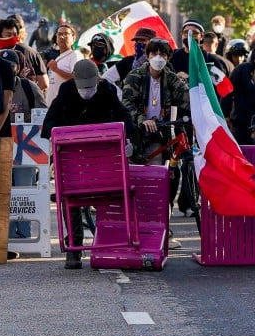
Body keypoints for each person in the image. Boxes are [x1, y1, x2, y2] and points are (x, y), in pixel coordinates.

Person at [42, 59, 135, 269]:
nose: (87, 92)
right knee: (70, 195)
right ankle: (74, 243)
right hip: (74, 158)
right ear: (74, 80)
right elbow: (49, 121)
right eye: (83, 87)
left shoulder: (107, 90)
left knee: (111, 193)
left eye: (91, 87)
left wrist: (129, 139)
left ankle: (109, 239)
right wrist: (58, 137)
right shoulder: (66, 90)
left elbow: (125, 117)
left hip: (103, 158)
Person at [120, 37, 190, 166]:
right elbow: (127, 104)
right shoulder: (135, 76)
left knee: (161, 173)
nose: (158, 57)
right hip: (137, 134)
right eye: (154, 54)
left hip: (161, 133)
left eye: (162, 54)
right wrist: (142, 119)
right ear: (148, 56)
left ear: (168, 58)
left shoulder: (170, 78)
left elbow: (186, 97)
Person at [0, 17, 49, 94]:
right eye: (8, 35)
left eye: (14, 35)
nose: (12, 38)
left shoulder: (30, 53)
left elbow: (44, 83)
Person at [0, 49, 48, 122]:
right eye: (3, 66)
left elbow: (44, 115)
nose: (7, 70)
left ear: (18, 67)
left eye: (11, 66)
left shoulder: (29, 87)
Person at [44, 22, 82, 96]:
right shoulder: (59, 57)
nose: (62, 37)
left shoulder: (75, 55)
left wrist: (56, 69)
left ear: (73, 38)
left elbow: (77, 80)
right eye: (59, 34)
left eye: (66, 34)